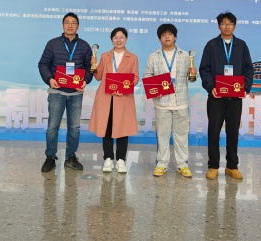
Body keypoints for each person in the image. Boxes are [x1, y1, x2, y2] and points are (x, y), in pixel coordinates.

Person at [199, 12, 253, 180]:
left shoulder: (241, 45)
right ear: (219, 26)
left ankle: (232, 166)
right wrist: (211, 87)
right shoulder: (211, 45)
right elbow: (204, 69)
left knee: (233, 131)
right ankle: (213, 166)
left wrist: (245, 87)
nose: (227, 26)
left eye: (230, 23)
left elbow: (248, 69)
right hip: (216, 96)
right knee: (214, 131)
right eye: (223, 23)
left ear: (234, 26)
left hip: (235, 97)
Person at [38, 12, 93, 172]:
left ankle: (70, 157)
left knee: (74, 128)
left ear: (78, 26)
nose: (70, 25)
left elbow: (89, 68)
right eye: (67, 22)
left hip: (76, 93)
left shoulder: (84, 46)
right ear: (63, 25)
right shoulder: (53, 44)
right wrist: (49, 79)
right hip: (57, 92)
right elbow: (43, 64)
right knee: (52, 127)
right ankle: (50, 157)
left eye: (73, 22)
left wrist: (85, 81)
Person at [144, 24, 197, 178]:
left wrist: (194, 74)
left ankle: (182, 164)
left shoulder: (185, 55)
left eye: (170, 34)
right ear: (159, 39)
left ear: (175, 37)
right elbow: (147, 76)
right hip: (162, 102)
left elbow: (191, 79)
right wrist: (158, 84)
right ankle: (162, 163)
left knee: (181, 135)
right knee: (162, 134)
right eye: (163, 35)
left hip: (181, 102)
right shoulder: (153, 56)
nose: (167, 37)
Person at [88, 27, 139, 173]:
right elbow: (98, 77)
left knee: (123, 128)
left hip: (123, 97)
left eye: (121, 37)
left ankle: (121, 160)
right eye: (115, 37)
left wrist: (124, 87)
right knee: (107, 127)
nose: (118, 40)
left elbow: (135, 77)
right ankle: (108, 159)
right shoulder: (105, 56)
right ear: (112, 40)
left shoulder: (132, 57)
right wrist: (94, 66)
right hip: (106, 97)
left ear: (126, 39)